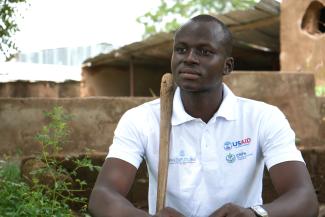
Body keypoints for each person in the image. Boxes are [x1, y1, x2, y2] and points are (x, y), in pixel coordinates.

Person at [88, 14, 319, 217]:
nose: (189, 58)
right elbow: (103, 196)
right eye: (181, 49)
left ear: (227, 66)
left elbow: (305, 199)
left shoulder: (262, 118)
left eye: (204, 51)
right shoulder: (141, 120)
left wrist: (253, 214)